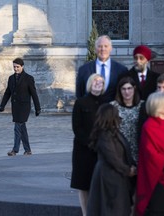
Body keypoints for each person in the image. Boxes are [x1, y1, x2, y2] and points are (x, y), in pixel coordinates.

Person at [86, 104, 136, 216]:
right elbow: (112, 157)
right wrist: (127, 170)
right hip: (109, 177)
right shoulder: (105, 135)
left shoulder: (113, 133)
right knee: (110, 209)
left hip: (115, 176)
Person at [70, 74, 105, 216]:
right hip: (83, 151)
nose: (98, 84)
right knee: (83, 185)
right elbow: (77, 127)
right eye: (96, 81)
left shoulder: (106, 104)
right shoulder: (80, 102)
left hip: (101, 150)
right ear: (90, 83)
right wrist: (90, 143)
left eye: (101, 82)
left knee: (99, 184)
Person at [0, 58, 41, 156]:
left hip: (24, 107)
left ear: (22, 66)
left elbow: (34, 94)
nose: (16, 69)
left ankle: (15, 150)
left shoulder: (28, 78)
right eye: (14, 67)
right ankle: (28, 150)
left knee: (17, 127)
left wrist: (37, 108)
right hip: (16, 107)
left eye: (17, 67)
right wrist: (2, 105)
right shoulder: (11, 78)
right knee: (22, 128)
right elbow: (7, 93)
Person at [76, 35, 128, 103]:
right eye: (100, 46)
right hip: (90, 111)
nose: (103, 49)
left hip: (112, 111)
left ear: (111, 48)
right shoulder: (84, 70)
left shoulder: (122, 70)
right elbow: (79, 94)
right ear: (95, 49)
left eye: (106, 46)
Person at [110, 76, 145, 166]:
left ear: (134, 88)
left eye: (129, 88)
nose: (127, 92)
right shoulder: (113, 106)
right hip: (120, 149)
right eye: (123, 89)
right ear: (120, 90)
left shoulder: (142, 105)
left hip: (138, 148)